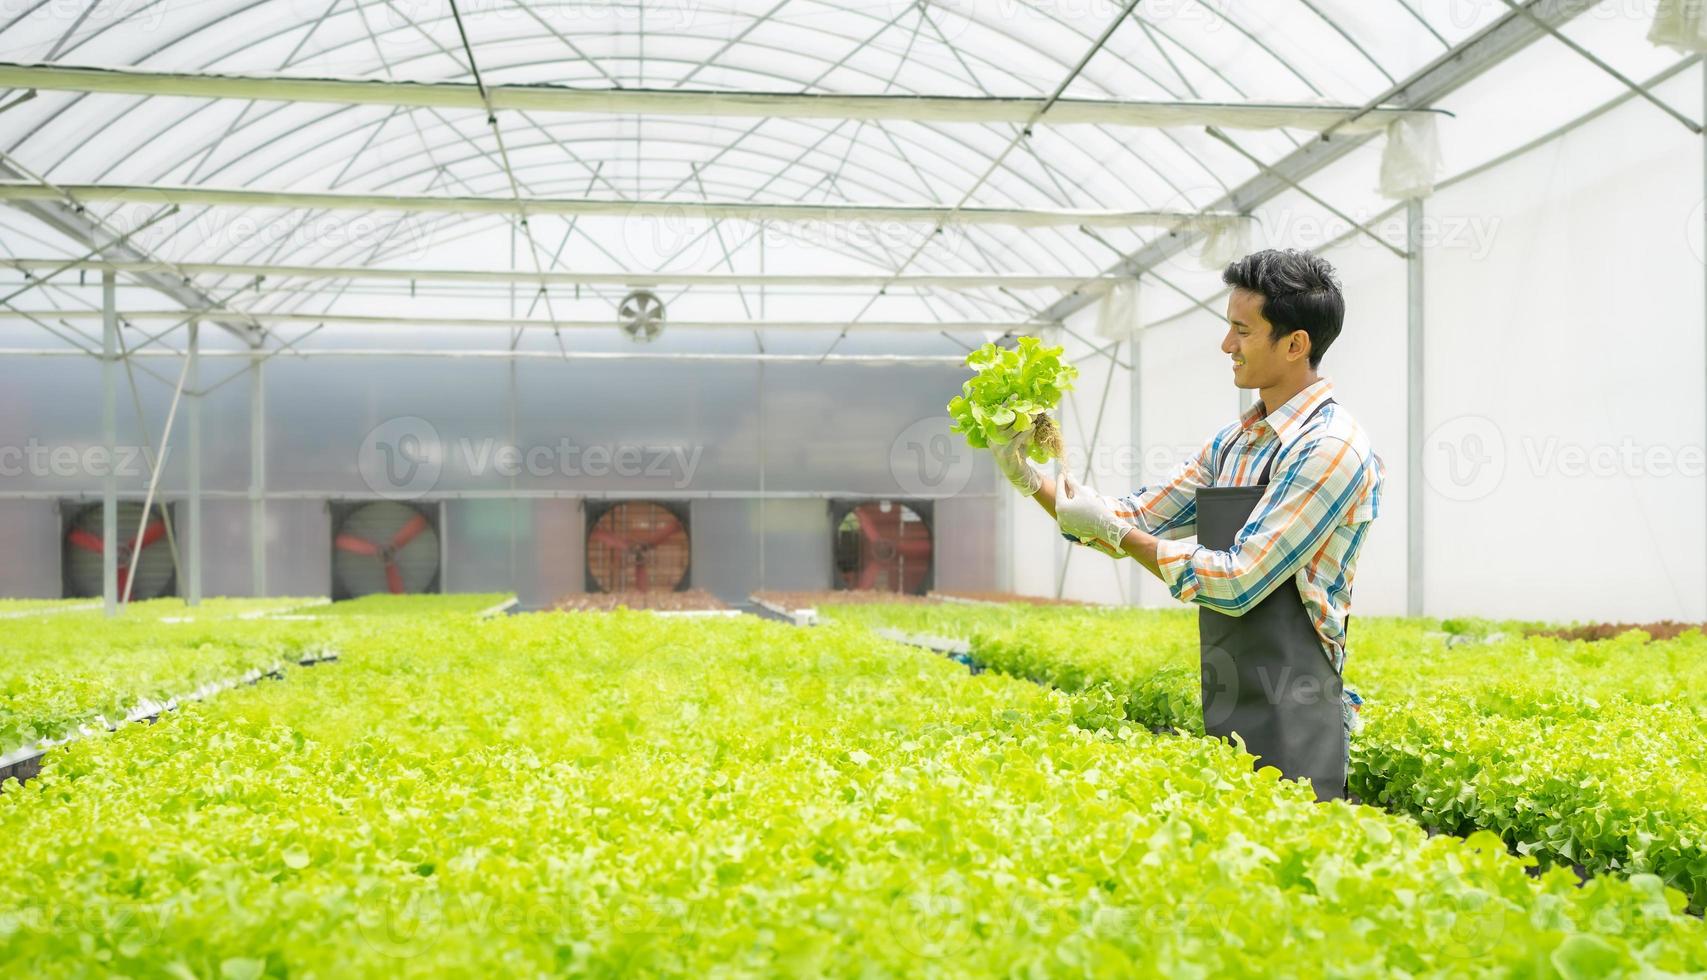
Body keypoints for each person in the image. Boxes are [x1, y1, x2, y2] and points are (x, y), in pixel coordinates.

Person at [992, 249, 1385, 802]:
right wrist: (1029, 477)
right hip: (1229, 694)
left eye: (1242, 330)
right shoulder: (1234, 443)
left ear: (1296, 345)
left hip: (1296, 712)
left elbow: (1237, 580)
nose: (1227, 346)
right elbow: (1134, 516)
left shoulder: (1329, 449)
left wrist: (1115, 533)